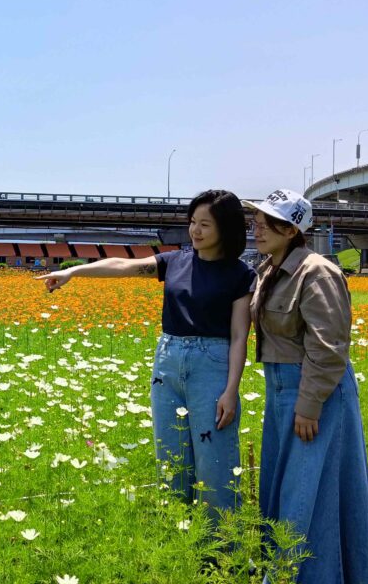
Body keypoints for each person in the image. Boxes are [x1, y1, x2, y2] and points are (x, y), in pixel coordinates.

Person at [38, 190, 254, 518]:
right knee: (170, 455)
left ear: (225, 228)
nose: (195, 231)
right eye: (192, 222)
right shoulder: (175, 261)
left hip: (212, 365)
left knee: (215, 461)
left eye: (205, 224)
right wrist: (73, 273)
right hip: (167, 362)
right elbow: (123, 265)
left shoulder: (240, 275)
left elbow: (239, 337)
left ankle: (222, 544)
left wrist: (231, 390)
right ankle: (176, 533)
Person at [244, 188, 368, 584]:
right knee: (293, 489)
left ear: (292, 230)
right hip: (282, 390)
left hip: (315, 393)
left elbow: (329, 346)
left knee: (307, 492)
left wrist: (309, 406)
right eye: (257, 221)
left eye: (268, 223)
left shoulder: (317, 272)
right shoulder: (270, 269)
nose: (257, 229)